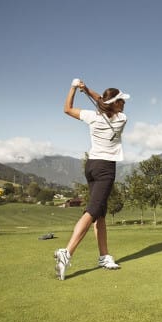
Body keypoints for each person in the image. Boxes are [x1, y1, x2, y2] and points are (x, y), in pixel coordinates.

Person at [54, 78, 130, 280]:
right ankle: (67, 252)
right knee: (93, 210)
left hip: (91, 166)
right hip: (105, 169)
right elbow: (101, 101)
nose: (124, 103)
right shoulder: (122, 118)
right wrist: (88, 91)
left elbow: (67, 109)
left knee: (100, 213)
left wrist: (74, 87)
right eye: (121, 100)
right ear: (115, 104)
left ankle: (104, 255)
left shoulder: (91, 116)